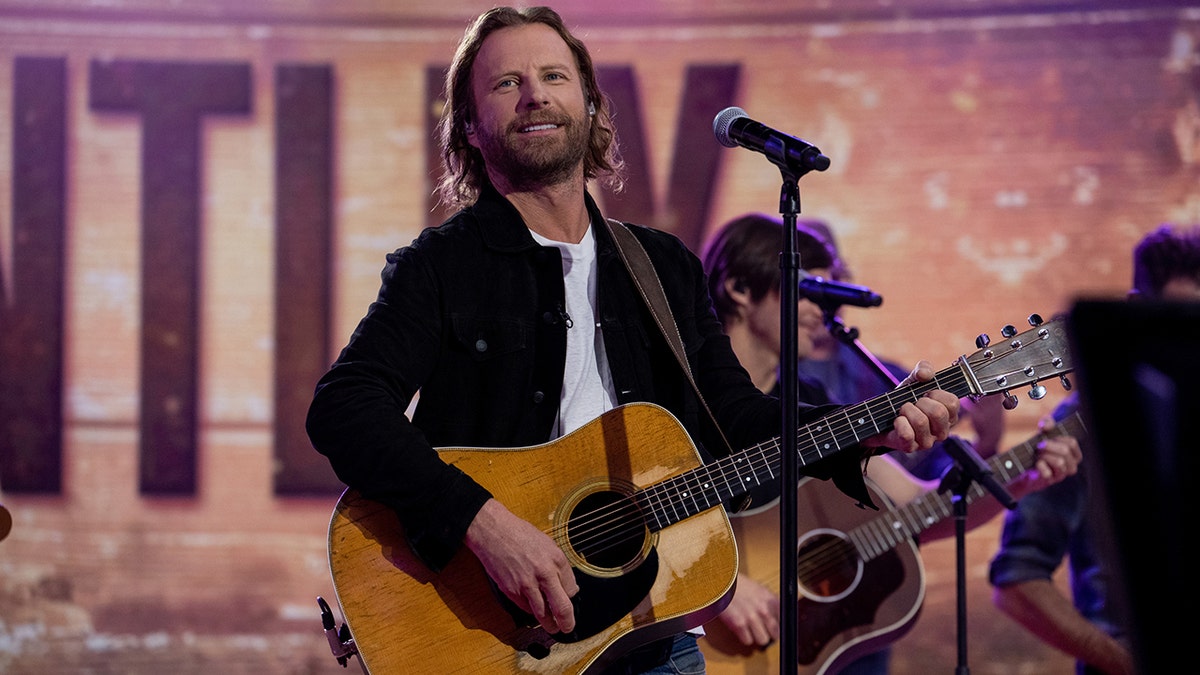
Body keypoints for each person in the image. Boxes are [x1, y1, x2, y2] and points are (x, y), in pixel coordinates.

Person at [304, 6, 964, 674]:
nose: (535, 94)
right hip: (494, 636)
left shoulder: (663, 267)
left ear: (588, 103)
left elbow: (737, 417)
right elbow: (345, 407)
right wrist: (484, 523)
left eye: (554, 76)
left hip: (651, 631)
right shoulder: (440, 266)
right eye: (507, 83)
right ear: (470, 128)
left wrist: (867, 428)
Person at [700, 213, 1082, 672]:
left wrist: (1023, 477)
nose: (823, 309)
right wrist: (719, 588)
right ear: (740, 289)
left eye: (829, 291)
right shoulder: (679, 393)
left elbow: (914, 508)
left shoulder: (812, 402)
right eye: (809, 289)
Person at [988, 223, 1200, 675]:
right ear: (1137, 312)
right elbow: (1017, 581)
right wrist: (1127, 662)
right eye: (1177, 320)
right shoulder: (1085, 425)